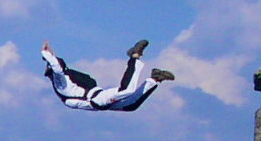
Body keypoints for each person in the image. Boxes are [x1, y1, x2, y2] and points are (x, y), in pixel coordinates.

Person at [41, 39, 175, 112]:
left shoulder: (61, 79)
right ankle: (155, 78)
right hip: (98, 101)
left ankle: (135, 56)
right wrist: (49, 57)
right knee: (131, 105)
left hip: (97, 99)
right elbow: (57, 67)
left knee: (127, 90)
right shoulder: (60, 81)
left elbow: (56, 67)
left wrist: (46, 54)